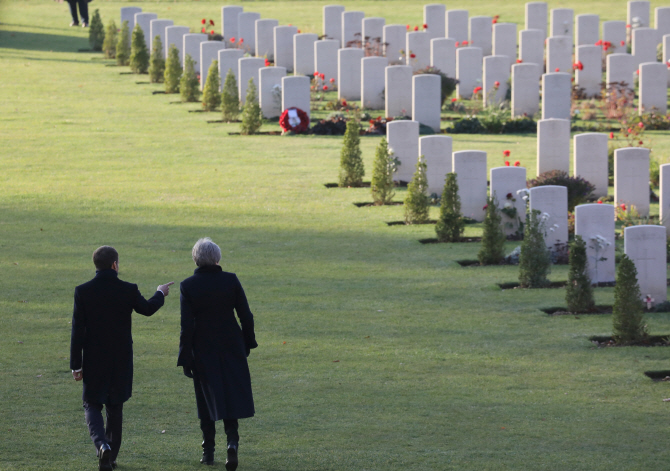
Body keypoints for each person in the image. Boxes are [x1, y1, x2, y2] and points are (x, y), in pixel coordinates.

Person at [70, 246, 173, 471]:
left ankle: (101, 445)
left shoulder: (83, 291)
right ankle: (112, 455)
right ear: (115, 265)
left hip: (94, 358)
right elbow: (147, 309)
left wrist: (75, 365)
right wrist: (160, 292)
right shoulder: (128, 289)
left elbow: (77, 331)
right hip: (120, 358)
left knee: (92, 403)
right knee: (115, 406)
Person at [178, 238, 258, 470]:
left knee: (205, 398)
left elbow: (187, 326)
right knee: (231, 394)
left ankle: (208, 450)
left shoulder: (188, 285)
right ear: (216, 258)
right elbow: (246, 315)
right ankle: (232, 443)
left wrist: (185, 357)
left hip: (203, 347)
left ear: (196, 259)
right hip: (231, 344)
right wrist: (248, 343)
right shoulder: (230, 280)